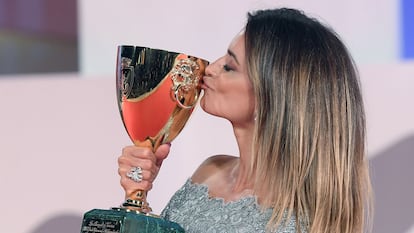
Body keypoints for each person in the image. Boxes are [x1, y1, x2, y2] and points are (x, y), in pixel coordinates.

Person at [117, 8, 373, 233]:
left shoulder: (298, 221)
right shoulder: (209, 172)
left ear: (272, 96)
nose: (209, 69)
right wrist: (137, 194)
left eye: (230, 67)